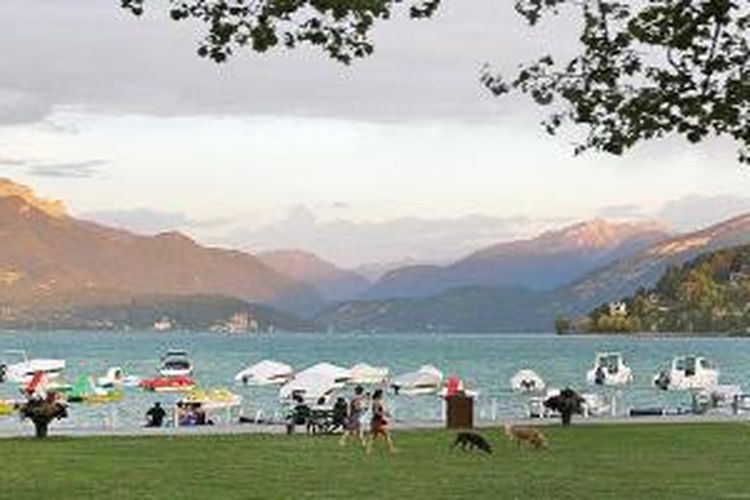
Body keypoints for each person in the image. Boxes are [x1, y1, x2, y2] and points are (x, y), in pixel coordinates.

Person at [366, 389, 395, 454]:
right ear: (379, 395)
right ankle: (391, 449)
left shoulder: (375, 402)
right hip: (378, 421)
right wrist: (384, 414)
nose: (382, 396)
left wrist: (385, 413)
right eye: (381, 394)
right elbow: (376, 412)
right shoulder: (377, 402)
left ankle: (368, 450)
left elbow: (377, 411)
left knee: (373, 437)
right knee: (386, 435)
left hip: (375, 421)